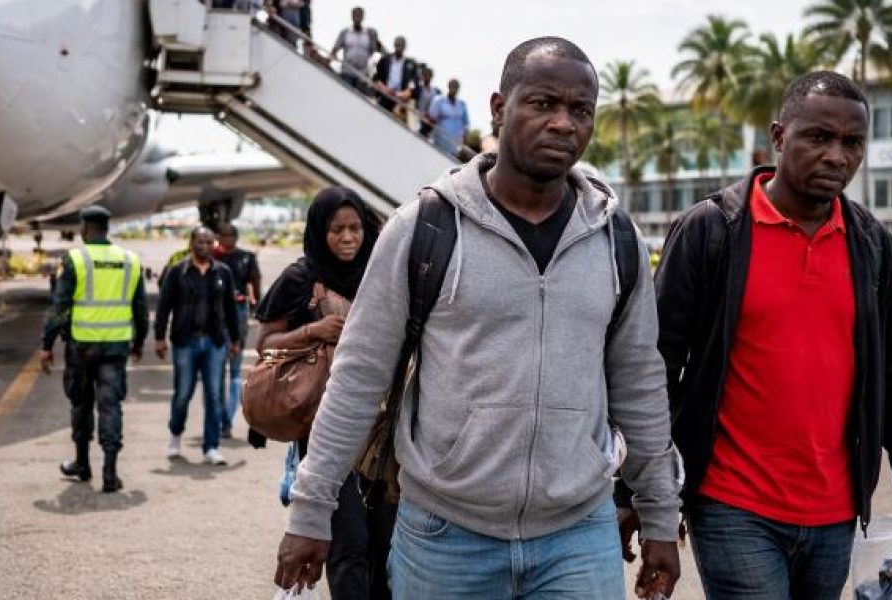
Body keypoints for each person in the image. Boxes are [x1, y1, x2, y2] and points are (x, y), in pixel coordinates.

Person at [275, 37, 683, 600]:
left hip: (578, 535)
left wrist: (659, 512)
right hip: (445, 537)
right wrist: (311, 508)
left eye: (581, 110)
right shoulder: (424, 228)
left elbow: (638, 382)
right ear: (498, 108)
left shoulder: (615, 239)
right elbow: (359, 375)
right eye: (543, 103)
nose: (563, 123)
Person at [649, 71, 892, 600]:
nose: (837, 156)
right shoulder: (712, 230)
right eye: (819, 137)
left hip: (835, 512)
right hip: (731, 502)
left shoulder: (871, 243)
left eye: (852, 143)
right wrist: (646, 491)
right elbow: (656, 365)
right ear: (779, 136)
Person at [257, 186, 386, 600]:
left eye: (355, 228)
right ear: (318, 231)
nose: (348, 238)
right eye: (336, 230)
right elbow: (266, 343)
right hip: (327, 427)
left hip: (385, 431)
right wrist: (314, 331)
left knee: (385, 545)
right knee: (348, 545)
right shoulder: (300, 278)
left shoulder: (382, 272)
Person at [40, 205, 148, 493]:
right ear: (107, 227)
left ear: (84, 228)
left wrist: (47, 344)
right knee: (110, 406)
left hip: (82, 346)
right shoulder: (130, 260)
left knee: (81, 404)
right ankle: (110, 473)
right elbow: (140, 308)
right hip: (115, 346)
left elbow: (59, 307)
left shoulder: (76, 260)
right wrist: (139, 341)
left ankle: (83, 464)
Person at [154, 227, 242, 465]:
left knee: (214, 395)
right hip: (185, 342)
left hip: (214, 343)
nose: (205, 246)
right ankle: (175, 435)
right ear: (191, 243)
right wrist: (159, 337)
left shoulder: (223, 272)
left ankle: (211, 447)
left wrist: (235, 340)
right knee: (183, 394)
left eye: (209, 242)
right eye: (200, 241)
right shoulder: (177, 272)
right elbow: (163, 306)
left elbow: (231, 309)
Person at [212, 222, 262, 444]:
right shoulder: (211, 256)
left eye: (230, 236)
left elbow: (255, 281)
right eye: (224, 236)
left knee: (233, 372)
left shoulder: (246, 258)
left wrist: (257, 306)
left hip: (238, 312)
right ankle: (222, 418)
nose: (227, 240)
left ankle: (227, 420)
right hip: (216, 314)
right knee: (216, 374)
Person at [330, 7, 380, 93]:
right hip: (347, 72)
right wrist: (331, 57)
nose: (357, 18)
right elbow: (335, 48)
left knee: (360, 97)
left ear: (362, 17)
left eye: (359, 16)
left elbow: (374, 49)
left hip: (362, 73)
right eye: (355, 16)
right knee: (346, 94)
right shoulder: (345, 32)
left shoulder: (369, 33)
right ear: (352, 17)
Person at [372, 36, 419, 115]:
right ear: (394, 45)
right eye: (397, 45)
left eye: (401, 46)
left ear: (404, 47)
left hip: (399, 98)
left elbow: (412, 83)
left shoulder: (410, 64)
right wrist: (384, 88)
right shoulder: (385, 60)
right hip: (385, 94)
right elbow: (377, 77)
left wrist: (405, 92)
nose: (399, 48)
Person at [427, 78, 469, 158]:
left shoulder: (462, 104)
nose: (454, 89)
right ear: (448, 87)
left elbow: (466, 125)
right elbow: (431, 118)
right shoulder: (439, 100)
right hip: (440, 142)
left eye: (456, 87)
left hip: (455, 145)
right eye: (452, 86)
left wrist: (465, 143)